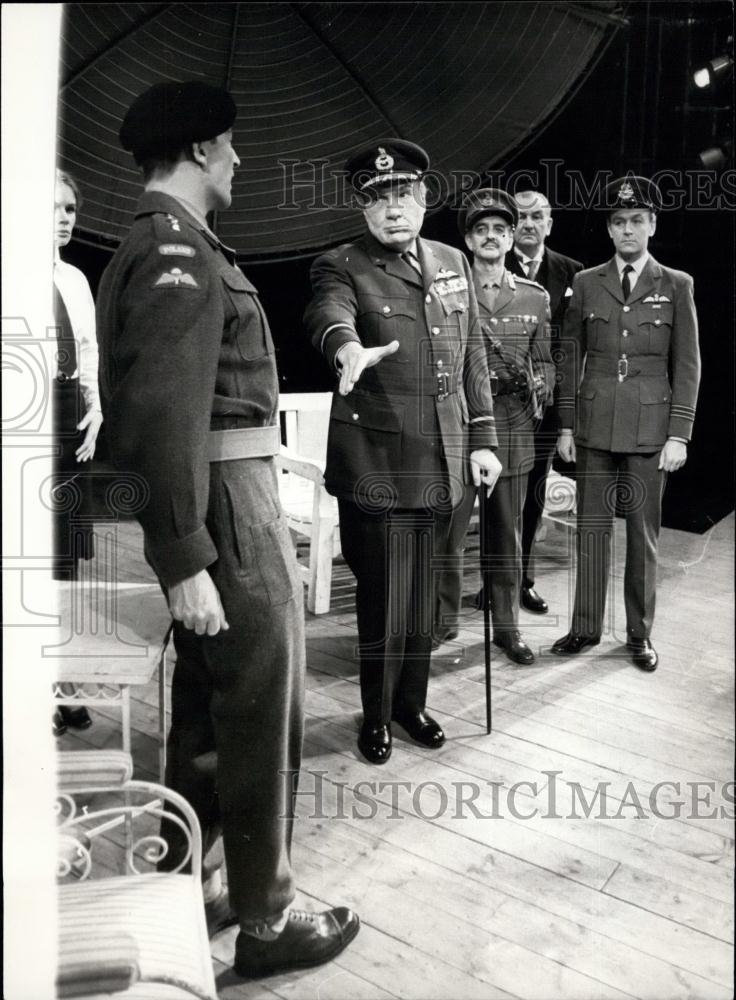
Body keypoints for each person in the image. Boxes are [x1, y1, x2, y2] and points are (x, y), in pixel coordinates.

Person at [96, 80, 359, 978]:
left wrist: (184, 548)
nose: (240, 160)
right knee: (261, 715)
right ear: (204, 149)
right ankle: (268, 921)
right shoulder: (178, 253)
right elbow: (159, 416)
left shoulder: (161, 243)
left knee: (214, 712)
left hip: (217, 498)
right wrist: (184, 561)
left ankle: (191, 883)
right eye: (233, 145)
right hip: (227, 504)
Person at [303, 140, 501, 764]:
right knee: (383, 595)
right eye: (377, 197)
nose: (392, 208)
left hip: (444, 458)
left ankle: (411, 705)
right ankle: (376, 714)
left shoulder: (452, 260)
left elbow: (472, 352)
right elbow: (328, 315)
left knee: (425, 592)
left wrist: (484, 439)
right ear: (361, 207)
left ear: (422, 197)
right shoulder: (340, 264)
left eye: (403, 194)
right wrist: (345, 348)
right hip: (378, 464)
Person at [552, 175, 701, 671]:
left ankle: (639, 634)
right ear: (609, 229)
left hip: (650, 430)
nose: (628, 229)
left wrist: (678, 434)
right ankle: (585, 628)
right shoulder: (585, 282)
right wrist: (567, 426)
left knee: (642, 537)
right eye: (619, 221)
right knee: (591, 532)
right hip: (594, 425)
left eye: (637, 220)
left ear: (652, 224)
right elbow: (570, 357)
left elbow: (687, 364)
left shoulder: (676, 284)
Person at [435, 189, 555, 665]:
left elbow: (545, 361)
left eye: (500, 230)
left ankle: (507, 628)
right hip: (458, 428)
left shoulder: (534, 297)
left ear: (511, 239)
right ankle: (442, 623)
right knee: (448, 534)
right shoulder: (445, 292)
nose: (491, 237)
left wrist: (539, 387)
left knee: (507, 537)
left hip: (512, 429)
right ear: (467, 239)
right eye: (481, 229)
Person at [505, 190, 583, 615]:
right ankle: (494, 582)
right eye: (521, 217)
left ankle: (521, 579)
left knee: (534, 492)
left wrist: (566, 413)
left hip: (546, 407)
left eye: (538, 216)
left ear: (549, 225)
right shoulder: (490, 264)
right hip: (498, 405)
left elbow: (573, 348)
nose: (529, 224)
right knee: (498, 495)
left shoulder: (573, 273)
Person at [52, 168, 102, 734]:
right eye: (53, 208)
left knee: (63, 561)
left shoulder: (75, 278)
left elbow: (87, 348)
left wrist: (95, 408)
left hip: (69, 416)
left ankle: (62, 684)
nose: (65, 218)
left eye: (69, 209)